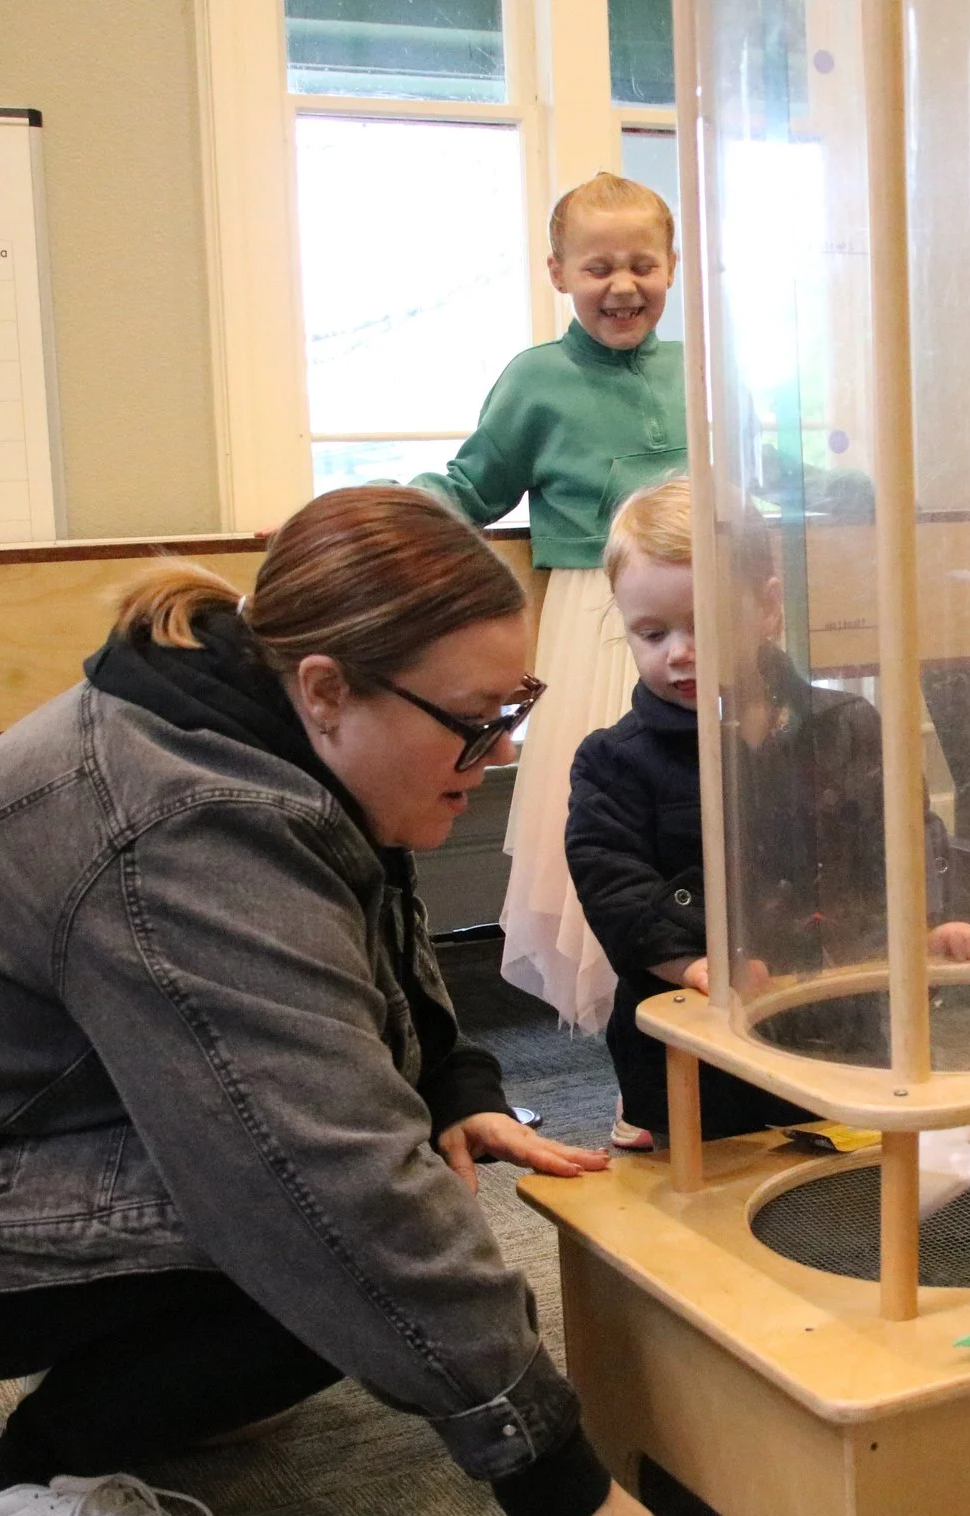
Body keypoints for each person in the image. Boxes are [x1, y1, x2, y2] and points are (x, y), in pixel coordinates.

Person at [0, 487, 716, 1516]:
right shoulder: (186, 823)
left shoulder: (255, 727)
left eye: (513, 707)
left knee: (374, 1205)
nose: (498, 750)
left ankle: (145, 1388)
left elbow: (364, 923)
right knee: (326, 1238)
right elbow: (328, 1187)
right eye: (473, 719)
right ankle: (14, 1481)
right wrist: (569, 1493)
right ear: (323, 688)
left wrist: (452, 1081)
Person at [564, 479, 970, 1151]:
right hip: (702, 1054)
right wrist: (689, 962)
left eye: (703, 624)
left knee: (846, 1185)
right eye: (652, 633)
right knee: (716, 1206)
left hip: (843, 1025)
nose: (678, 651)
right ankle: (639, 1123)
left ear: (768, 607)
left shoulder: (847, 726)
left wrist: (933, 921)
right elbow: (614, 884)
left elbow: (906, 841)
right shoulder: (613, 762)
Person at [413, 172, 685, 1037]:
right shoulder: (536, 380)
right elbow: (469, 487)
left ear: (673, 267)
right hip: (597, 625)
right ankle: (633, 1054)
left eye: (643, 263)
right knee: (618, 827)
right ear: (558, 272)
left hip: (706, 614)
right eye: (599, 266)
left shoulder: (702, 368)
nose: (623, 285)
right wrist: (379, 511)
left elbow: (766, 476)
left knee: (706, 826)